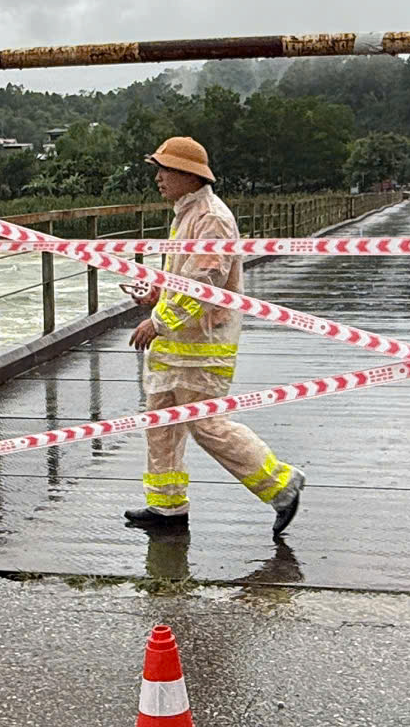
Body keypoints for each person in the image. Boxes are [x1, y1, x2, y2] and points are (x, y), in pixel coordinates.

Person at [121, 137, 304, 536]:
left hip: (202, 347)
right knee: (160, 424)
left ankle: (282, 485)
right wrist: (155, 294)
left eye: (164, 170)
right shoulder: (186, 214)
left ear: (188, 175)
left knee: (207, 425)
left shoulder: (212, 218)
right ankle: (166, 506)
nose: (158, 177)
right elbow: (182, 279)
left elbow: (204, 284)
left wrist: (158, 321)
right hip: (175, 347)